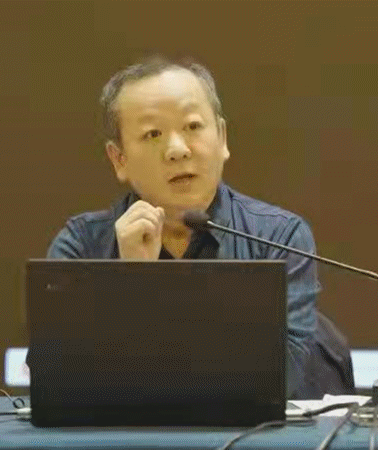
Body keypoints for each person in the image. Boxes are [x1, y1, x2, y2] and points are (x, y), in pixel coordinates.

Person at [47, 55, 320, 398]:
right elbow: (60, 382)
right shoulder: (81, 246)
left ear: (222, 137)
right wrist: (132, 283)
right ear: (119, 159)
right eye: (153, 134)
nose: (177, 150)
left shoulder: (278, 238)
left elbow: (283, 378)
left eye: (192, 126)